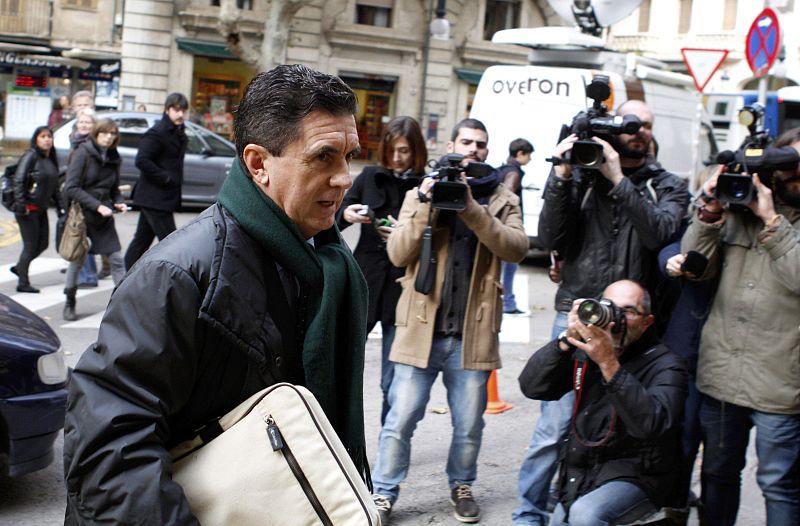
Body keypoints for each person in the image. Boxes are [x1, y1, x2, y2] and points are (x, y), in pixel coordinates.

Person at [62, 64, 370, 523]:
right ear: (258, 164)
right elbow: (109, 454)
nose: (344, 177)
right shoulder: (176, 275)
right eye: (324, 156)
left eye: (349, 156)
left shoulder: (326, 260)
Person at [513, 99, 688, 526]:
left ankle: (605, 498)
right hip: (577, 309)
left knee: (619, 419)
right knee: (554, 427)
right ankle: (529, 514)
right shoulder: (581, 177)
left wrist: (617, 179)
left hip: (632, 324)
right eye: (630, 124)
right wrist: (561, 175)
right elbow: (550, 236)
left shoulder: (665, 184)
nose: (638, 130)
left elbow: (660, 233)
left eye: (645, 124)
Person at [370, 118, 528, 524]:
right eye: (466, 142)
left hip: (472, 333)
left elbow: (516, 248)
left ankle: (462, 485)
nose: (474, 149)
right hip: (420, 327)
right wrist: (427, 204)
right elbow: (398, 253)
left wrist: (472, 209)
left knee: (468, 426)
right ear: (452, 146)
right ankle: (383, 494)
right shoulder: (421, 192)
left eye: (481, 144)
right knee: (399, 421)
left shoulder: (503, 198)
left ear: (487, 151)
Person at [680, 128, 800, 526]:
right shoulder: (737, 207)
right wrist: (710, 210)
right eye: (788, 164)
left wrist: (771, 220)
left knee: (779, 484)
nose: (796, 172)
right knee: (717, 474)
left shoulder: (766, 215)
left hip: (783, 385)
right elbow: (695, 266)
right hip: (722, 376)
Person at [518, 279, 687, 526]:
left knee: (586, 515)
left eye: (628, 311)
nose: (616, 318)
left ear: (647, 321)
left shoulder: (667, 365)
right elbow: (532, 387)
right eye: (610, 307)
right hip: (583, 470)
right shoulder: (586, 351)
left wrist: (609, 363)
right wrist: (565, 341)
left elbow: (651, 424)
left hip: (640, 475)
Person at [336, 115, 427, 424]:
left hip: (402, 288)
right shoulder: (370, 176)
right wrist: (346, 214)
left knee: (393, 378)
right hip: (365, 281)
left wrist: (406, 234)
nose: (397, 158)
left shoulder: (425, 185)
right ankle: (334, 431)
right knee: (343, 367)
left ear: (416, 150)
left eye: (404, 151)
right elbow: (334, 217)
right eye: (392, 150)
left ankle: (389, 438)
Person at [61, 119, 128, 321]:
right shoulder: (83, 153)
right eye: (105, 133)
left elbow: (114, 188)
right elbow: (71, 187)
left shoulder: (114, 157)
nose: (109, 137)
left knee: (116, 259)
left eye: (113, 133)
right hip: (83, 216)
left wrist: (119, 202)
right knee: (77, 260)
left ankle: (123, 305)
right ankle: (69, 301)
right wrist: (97, 205)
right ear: (96, 134)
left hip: (104, 217)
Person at [123, 92, 189, 270]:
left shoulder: (179, 132)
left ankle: (125, 275)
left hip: (161, 197)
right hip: (154, 197)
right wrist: (165, 177)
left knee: (141, 240)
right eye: (176, 110)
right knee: (172, 243)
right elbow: (142, 160)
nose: (180, 114)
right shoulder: (157, 133)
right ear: (167, 110)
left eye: (183, 110)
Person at [10, 126, 62, 293]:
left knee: (43, 244)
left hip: (41, 208)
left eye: (49, 137)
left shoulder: (50, 158)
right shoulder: (30, 155)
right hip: (28, 208)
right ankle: (22, 282)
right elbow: (19, 180)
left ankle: (20, 267)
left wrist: (61, 208)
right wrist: (21, 204)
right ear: (36, 139)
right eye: (43, 136)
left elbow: (54, 187)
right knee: (30, 246)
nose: (47, 140)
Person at [498, 137, 534, 314]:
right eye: (529, 155)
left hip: (502, 227)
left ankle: (507, 302)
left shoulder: (504, 169)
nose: (530, 159)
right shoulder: (514, 173)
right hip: (508, 227)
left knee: (506, 266)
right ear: (520, 153)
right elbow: (507, 199)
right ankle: (508, 303)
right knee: (510, 265)